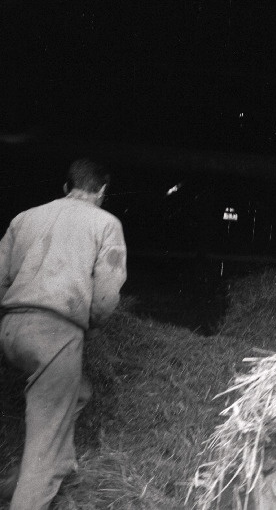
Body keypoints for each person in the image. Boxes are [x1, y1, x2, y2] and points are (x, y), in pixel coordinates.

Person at [0, 158, 127, 509]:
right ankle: (31, 490)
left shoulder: (24, 218)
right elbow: (105, 295)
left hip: (10, 331)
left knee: (78, 391)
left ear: (66, 188)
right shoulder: (106, 223)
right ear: (101, 191)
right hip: (55, 335)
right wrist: (93, 323)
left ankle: (37, 472)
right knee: (46, 436)